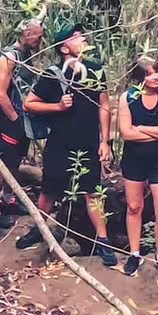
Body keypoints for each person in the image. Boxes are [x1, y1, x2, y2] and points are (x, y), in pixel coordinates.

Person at [19, 25, 116, 265]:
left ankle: (103, 242)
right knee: (49, 190)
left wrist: (104, 141)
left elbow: (104, 105)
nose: (82, 38)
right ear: (64, 48)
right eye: (75, 37)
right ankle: (39, 230)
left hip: (88, 142)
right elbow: (29, 104)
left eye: (81, 35)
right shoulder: (53, 74)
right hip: (60, 142)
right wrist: (58, 107)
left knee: (92, 192)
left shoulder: (95, 70)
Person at [117, 56, 158, 282]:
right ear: (138, 78)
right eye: (148, 74)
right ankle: (135, 253)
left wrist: (143, 128)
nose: (154, 77)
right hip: (134, 159)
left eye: (156, 72)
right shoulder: (128, 97)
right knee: (134, 207)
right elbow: (126, 133)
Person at [0, 19, 44, 227]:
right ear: (27, 33)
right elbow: (1, 95)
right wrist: (14, 119)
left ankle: (7, 199)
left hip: (23, 118)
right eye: (37, 34)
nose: (40, 39)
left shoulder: (25, 56)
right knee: (4, 164)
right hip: (11, 119)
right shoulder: (9, 57)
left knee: (15, 162)